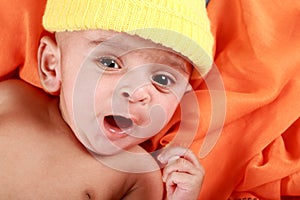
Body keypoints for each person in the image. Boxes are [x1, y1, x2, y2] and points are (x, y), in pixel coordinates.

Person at [0, 0, 214, 199]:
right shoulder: (12, 99)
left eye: (162, 79)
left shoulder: (137, 175)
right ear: (52, 66)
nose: (137, 92)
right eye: (110, 63)